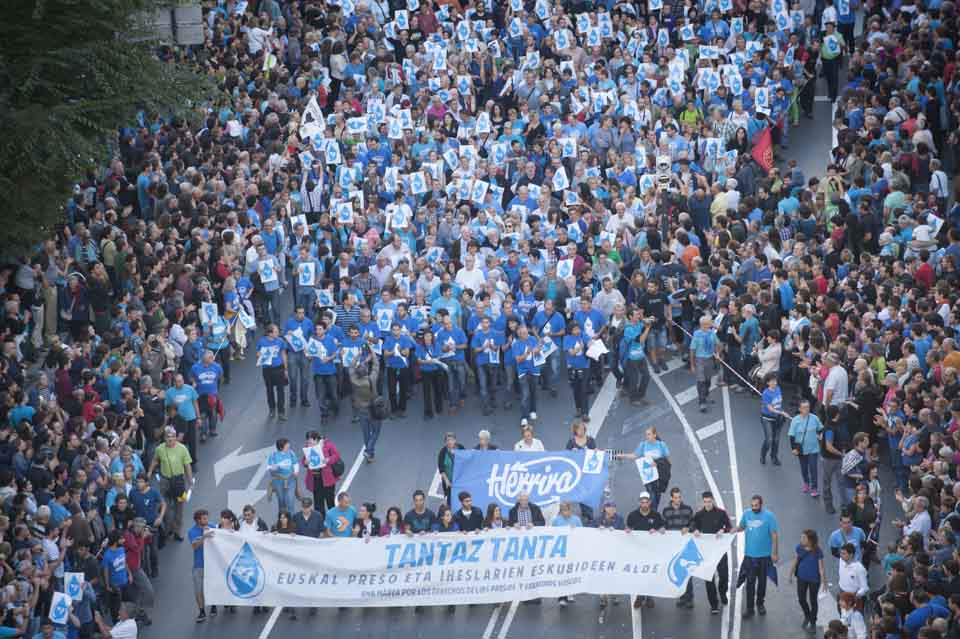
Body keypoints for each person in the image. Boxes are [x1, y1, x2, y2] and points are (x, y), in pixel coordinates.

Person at [734, 495, 779, 619]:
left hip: (765, 556)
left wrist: (775, 553)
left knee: (762, 582)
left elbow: (774, 535)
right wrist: (732, 530)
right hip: (750, 556)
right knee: (750, 583)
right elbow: (742, 527)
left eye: (756, 505)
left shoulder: (769, 516)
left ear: (761, 504)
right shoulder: (746, 514)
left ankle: (760, 604)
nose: (754, 508)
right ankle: (749, 609)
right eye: (752, 505)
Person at [146, 427, 192, 543]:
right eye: (168, 437)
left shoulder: (182, 449)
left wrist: (190, 480)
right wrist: (150, 471)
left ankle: (177, 532)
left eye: (172, 437)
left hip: (179, 482)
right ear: (164, 438)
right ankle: (169, 528)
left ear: (176, 437)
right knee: (165, 506)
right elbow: (155, 460)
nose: (170, 439)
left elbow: (187, 465)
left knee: (179, 508)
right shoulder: (160, 449)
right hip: (165, 482)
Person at [691, 491, 732, 615]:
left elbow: (729, 527)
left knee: (724, 575)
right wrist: (695, 530)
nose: (707, 504)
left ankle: (723, 593)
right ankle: (713, 604)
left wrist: (723, 530)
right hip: (706, 551)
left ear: (713, 500)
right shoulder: (699, 515)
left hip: (719, 550)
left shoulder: (721, 513)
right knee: (708, 577)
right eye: (705, 502)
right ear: (702, 502)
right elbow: (691, 525)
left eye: (709, 501)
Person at [617, 427, 671, 510]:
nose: (647, 436)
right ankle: (653, 512)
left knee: (657, 495)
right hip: (648, 475)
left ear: (654, 435)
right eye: (646, 434)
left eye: (649, 434)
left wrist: (657, 463)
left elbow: (666, 457)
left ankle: (653, 512)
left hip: (659, 475)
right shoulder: (643, 445)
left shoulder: (661, 445)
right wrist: (622, 455)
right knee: (651, 495)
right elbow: (635, 455)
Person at [627, 492, 665, 609]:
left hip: (651, 550)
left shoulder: (656, 515)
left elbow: (663, 528)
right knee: (639, 574)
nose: (644, 504)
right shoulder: (632, 515)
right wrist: (627, 531)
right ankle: (640, 595)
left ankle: (649, 596)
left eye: (646, 502)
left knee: (650, 573)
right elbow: (628, 528)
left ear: (649, 502)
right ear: (639, 502)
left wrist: (658, 530)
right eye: (642, 502)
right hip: (638, 549)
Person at [662, 487, 695, 609]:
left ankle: (689, 598)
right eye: (675, 497)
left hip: (686, 545)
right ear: (671, 498)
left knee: (687, 571)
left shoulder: (688, 509)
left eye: (679, 497)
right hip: (673, 545)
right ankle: (682, 596)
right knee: (677, 572)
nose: (678, 499)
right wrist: (662, 529)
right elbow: (664, 524)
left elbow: (693, 523)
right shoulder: (666, 511)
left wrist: (689, 528)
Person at [788, 529, 828, 632]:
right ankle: (807, 615)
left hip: (814, 580)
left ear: (810, 540)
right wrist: (790, 574)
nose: (801, 539)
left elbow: (821, 568)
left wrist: (824, 582)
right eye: (801, 537)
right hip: (801, 578)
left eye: (803, 538)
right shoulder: (799, 548)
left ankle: (813, 622)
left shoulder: (817, 550)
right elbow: (795, 561)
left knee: (813, 601)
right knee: (801, 599)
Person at [348, 344, 382, 463]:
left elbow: (351, 366)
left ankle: (370, 454)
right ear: (367, 371)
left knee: (366, 433)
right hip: (373, 408)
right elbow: (376, 364)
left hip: (361, 409)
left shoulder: (354, 380)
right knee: (376, 431)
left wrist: (358, 354)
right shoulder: (371, 379)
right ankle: (369, 450)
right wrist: (372, 351)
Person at [789, 399, 823, 497]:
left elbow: (820, 428)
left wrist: (820, 434)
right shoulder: (795, 420)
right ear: (799, 409)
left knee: (813, 468)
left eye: (808, 407)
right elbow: (791, 436)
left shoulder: (814, 418)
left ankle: (814, 488)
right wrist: (793, 449)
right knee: (804, 468)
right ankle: (806, 483)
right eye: (804, 408)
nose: (806, 409)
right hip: (802, 449)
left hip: (813, 448)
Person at [256, 323, 289, 420]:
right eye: (276, 332)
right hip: (267, 369)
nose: (278, 333)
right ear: (270, 333)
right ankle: (272, 409)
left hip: (278, 368)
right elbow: (258, 352)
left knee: (280, 390)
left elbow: (283, 354)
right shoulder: (262, 341)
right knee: (269, 390)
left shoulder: (280, 341)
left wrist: (285, 369)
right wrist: (260, 355)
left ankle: (281, 412)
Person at [552, 502, 582, 607]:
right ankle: (562, 597)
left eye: (567, 510)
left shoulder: (576, 520)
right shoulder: (556, 520)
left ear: (570, 510)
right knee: (561, 573)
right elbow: (552, 533)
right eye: (563, 511)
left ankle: (570, 592)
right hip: (561, 551)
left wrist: (576, 530)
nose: (565, 513)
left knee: (571, 571)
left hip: (573, 550)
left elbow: (583, 533)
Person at [689, 315, 718, 412]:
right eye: (710, 323)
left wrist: (717, 353)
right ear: (704, 324)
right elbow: (692, 350)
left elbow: (717, 344)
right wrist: (692, 365)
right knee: (701, 381)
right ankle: (702, 402)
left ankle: (706, 393)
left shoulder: (712, 333)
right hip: (700, 360)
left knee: (708, 380)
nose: (711, 324)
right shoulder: (696, 335)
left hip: (710, 359)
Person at [760, 373, 790, 466]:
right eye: (772, 381)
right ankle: (763, 455)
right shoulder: (766, 393)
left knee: (776, 440)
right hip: (767, 418)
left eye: (775, 381)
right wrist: (782, 413)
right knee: (769, 440)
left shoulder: (778, 389)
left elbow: (778, 404)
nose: (775, 383)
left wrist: (781, 412)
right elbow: (770, 408)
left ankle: (774, 457)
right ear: (768, 383)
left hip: (778, 418)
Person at [267, 438, 299, 515]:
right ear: (281, 447)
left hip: (290, 480)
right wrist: (272, 468)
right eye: (287, 445)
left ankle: (291, 518)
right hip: (278, 481)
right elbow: (269, 467)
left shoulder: (291, 453)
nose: (289, 446)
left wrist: (296, 471)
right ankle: (282, 517)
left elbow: (295, 463)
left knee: (290, 500)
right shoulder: (273, 455)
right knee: (281, 500)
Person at [437, 433, 464, 506]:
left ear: (455, 440)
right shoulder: (442, 452)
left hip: (460, 480)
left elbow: (466, 459)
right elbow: (441, 469)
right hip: (448, 481)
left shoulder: (461, 448)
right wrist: (447, 481)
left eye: (451, 440)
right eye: (448, 440)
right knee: (450, 500)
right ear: (445, 442)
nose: (450, 442)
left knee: (461, 498)